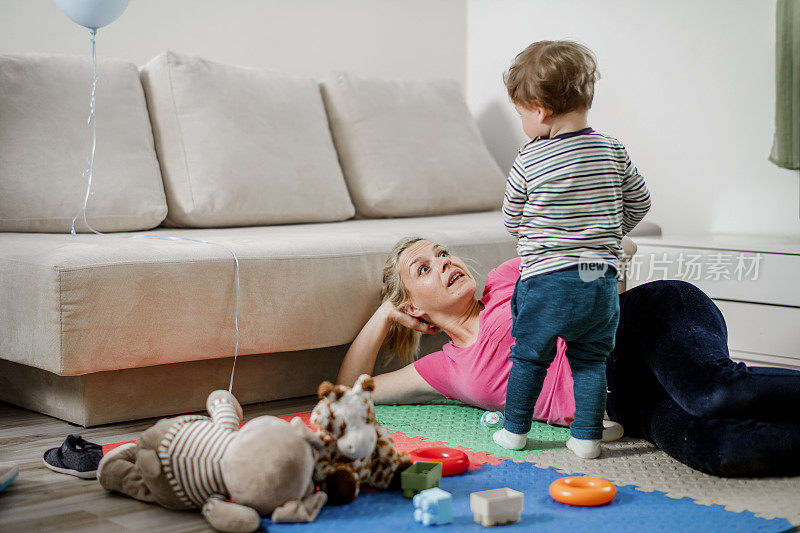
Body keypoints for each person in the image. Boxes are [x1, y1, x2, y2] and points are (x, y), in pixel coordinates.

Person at [337, 238, 800, 477]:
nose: (445, 263)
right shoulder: (444, 370)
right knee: (717, 449)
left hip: (642, 328)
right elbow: (346, 394)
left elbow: (598, 267)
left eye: (443, 254)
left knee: (714, 391)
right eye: (425, 269)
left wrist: (601, 261)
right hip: (625, 407)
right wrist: (382, 315)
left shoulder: (506, 279)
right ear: (412, 306)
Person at [494, 40, 651, 458]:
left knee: (529, 357)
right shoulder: (614, 150)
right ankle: (586, 438)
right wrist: (609, 232)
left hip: (546, 282)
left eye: (520, 113)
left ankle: (514, 432)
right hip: (598, 279)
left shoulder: (529, 159)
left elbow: (511, 218)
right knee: (591, 361)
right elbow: (641, 202)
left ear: (539, 109)